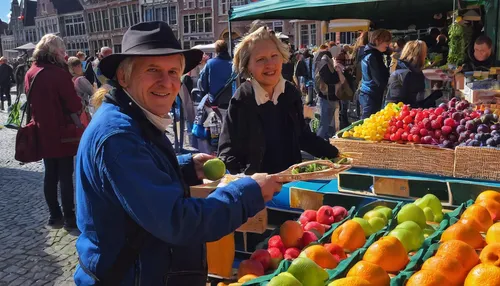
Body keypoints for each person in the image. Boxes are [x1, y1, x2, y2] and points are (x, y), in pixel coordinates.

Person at [74, 22, 282, 285]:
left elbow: (139, 178)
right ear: (124, 77)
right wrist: (248, 193)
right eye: (153, 70)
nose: (167, 82)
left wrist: (184, 167)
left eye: (174, 71)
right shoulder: (119, 136)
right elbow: (178, 221)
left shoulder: (134, 115)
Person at [218, 27, 339, 175]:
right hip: (257, 190)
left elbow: (302, 136)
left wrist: (336, 154)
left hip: (290, 184)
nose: (270, 64)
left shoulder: (290, 93)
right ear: (247, 66)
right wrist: (248, 180)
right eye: (260, 59)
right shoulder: (242, 100)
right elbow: (227, 153)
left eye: (274, 55)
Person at [25, 34, 83, 229]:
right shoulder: (58, 73)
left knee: (50, 174)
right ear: (54, 51)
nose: (64, 53)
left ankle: (54, 215)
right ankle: (69, 217)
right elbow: (74, 104)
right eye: (62, 50)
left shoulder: (31, 72)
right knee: (66, 175)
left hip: (42, 131)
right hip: (62, 131)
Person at [359, 29, 392, 118]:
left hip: (367, 92)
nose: (388, 44)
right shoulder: (374, 57)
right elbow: (379, 79)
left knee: (367, 121)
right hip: (371, 94)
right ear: (378, 41)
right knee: (367, 122)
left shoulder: (368, 53)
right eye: (386, 41)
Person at [386, 40, 428, 107]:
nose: (425, 56)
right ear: (418, 55)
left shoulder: (411, 70)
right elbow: (395, 99)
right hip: (402, 112)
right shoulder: (406, 72)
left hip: (406, 110)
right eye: (424, 53)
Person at [314, 47, 344, 139]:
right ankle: (318, 145)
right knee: (325, 125)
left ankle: (322, 144)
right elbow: (331, 79)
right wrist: (337, 70)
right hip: (327, 97)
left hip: (329, 97)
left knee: (328, 125)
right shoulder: (325, 63)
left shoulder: (325, 63)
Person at [199, 40, 233, 109]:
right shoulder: (233, 64)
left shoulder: (210, 63)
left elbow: (203, 81)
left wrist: (207, 91)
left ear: (216, 50)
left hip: (215, 100)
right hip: (231, 100)